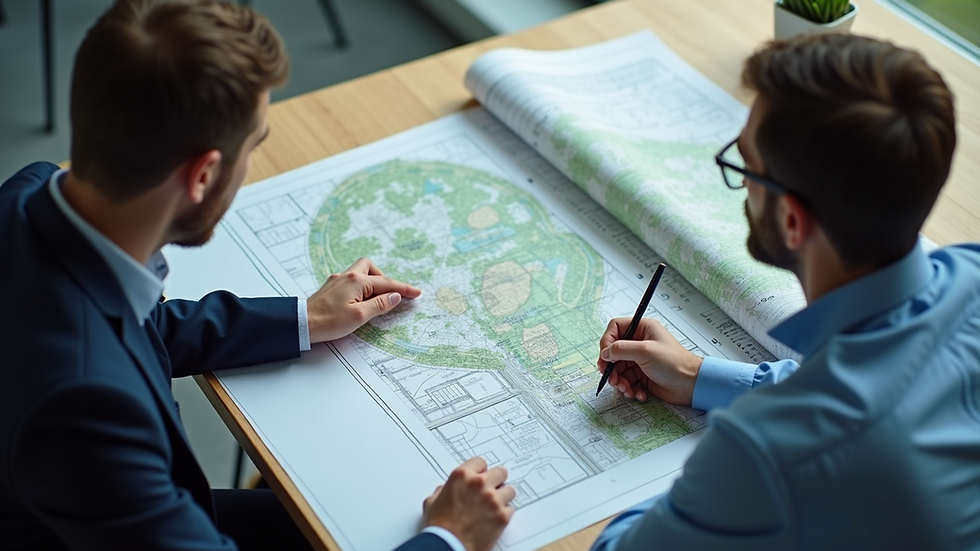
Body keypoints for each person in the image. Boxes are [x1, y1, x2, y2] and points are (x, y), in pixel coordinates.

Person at [0, 1, 514, 550]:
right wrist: (449, 538)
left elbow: (131, 325)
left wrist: (304, 317)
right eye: (253, 147)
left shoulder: (29, 195)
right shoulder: (86, 412)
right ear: (203, 175)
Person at [592, 33, 980, 550]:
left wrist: (718, 481)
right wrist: (694, 375)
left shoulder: (766, 455)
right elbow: (879, 383)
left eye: (745, 166)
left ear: (793, 221)